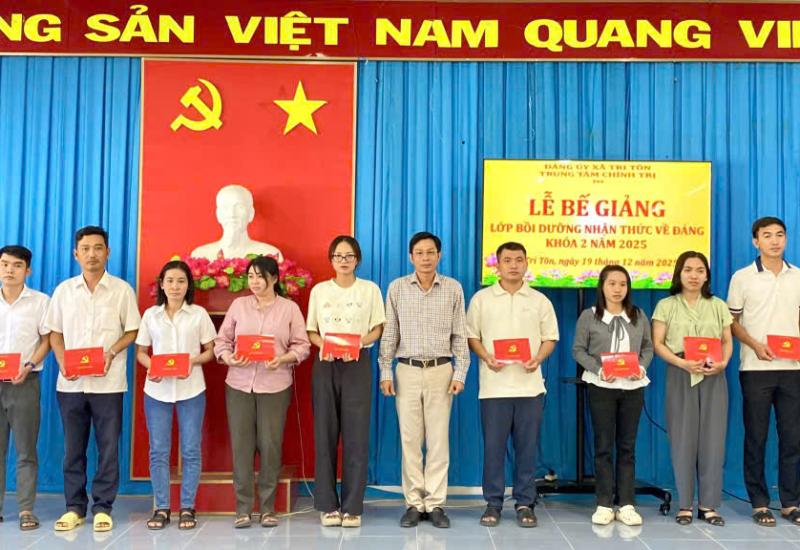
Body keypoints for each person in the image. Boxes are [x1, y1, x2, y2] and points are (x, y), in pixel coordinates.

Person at [45, 226, 141, 532]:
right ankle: (74, 508)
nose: (92, 254)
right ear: (76, 254)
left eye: (98, 248)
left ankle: (103, 508)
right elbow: (54, 332)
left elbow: (133, 330)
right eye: (85, 249)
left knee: (108, 448)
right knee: (73, 449)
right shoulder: (64, 291)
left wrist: (112, 352)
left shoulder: (122, 290)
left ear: (108, 252)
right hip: (70, 384)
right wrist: (62, 360)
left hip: (108, 383)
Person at [379, 231, 470, 529]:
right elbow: (390, 334)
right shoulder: (397, 288)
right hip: (406, 370)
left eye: (431, 252)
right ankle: (414, 504)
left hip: (441, 370)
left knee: (438, 440)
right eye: (419, 253)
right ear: (411, 257)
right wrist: (385, 371)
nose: (425, 258)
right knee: (410, 440)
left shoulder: (453, 288)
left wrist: (460, 373)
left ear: (439, 255)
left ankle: (436, 503)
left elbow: (460, 335)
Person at [214, 255, 310, 528]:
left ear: (274, 279)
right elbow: (222, 341)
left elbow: (302, 345)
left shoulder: (289, 309)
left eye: (260, 276)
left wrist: (283, 358)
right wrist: (229, 358)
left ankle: (268, 508)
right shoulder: (238, 305)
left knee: (270, 445)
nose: (254, 282)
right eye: (251, 276)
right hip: (239, 384)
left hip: (275, 385)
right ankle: (243, 509)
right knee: (241, 446)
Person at [467, 241, 558, 528]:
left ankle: (524, 503)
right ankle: (493, 503)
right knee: (493, 450)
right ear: (498, 265)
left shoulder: (540, 300)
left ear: (526, 263)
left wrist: (538, 358)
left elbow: (550, 338)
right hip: (494, 387)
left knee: (527, 450)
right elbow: (472, 336)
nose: (514, 265)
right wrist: (486, 357)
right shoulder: (482, 299)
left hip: (530, 387)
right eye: (507, 260)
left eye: (519, 259)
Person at [307, 236, 385, 528]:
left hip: (357, 364)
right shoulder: (319, 291)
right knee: (325, 434)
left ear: (357, 260)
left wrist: (357, 344)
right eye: (338, 256)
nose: (343, 260)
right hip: (326, 364)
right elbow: (312, 330)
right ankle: (327, 506)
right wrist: (326, 346)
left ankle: (352, 507)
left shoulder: (370, 290)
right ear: (331, 259)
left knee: (356, 437)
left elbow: (377, 327)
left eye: (349, 256)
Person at [727, 216, 800, 527]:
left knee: (793, 438)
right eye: (767, 235)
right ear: (755, 241)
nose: (774, 240)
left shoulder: (797, 276)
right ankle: (759, 503)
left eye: (779, 235)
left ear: (786, 239)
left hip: (793, 368)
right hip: (755, 367)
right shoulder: (742, 277)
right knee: (756, 437)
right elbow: (731, 322)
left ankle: (790, 502)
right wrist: (755, 345)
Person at [652, 251, 732, 527]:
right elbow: (658, 343)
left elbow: (726, 340)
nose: (694, 275)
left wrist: (723, 364)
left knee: (713, 440)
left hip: (713, 374)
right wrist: (682, 363)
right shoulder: (666, 305)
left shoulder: (718, 305)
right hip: (680, 372)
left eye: (700, 270)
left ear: (707, 275)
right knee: (683, 439)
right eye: (688, 270)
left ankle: (708, 505)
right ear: (679, 273)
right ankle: (685, 504)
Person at [135, 260, 216, 530]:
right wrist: (152, 368)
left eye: (181, 281)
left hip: (191, 389)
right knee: (158, 451)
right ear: (161, 284)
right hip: (157, 391)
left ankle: (187, 507)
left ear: (188, 285)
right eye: (169, 281)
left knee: (191, 449)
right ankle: (161, 508)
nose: (175, 286)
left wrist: (192, 362)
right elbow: (141, 352)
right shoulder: (151, 315)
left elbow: (210, 350)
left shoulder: (198, 314)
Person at [572, 265, 653, 527]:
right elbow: (578, 350)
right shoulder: (589, 316)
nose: (618, 289)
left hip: (632, 387)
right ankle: (604, 504)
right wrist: (599, 369)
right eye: (612, 284)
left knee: (627, 447)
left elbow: (648, 348)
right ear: (602, 287)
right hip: (601, 386)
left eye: (623, 284)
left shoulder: (638, 315)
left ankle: (626, 504)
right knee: (604, 446)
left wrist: (641, 368)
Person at [0, 245, 50, 531]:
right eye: (5, 264)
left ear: (27, 270)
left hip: (25, 382)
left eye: (17, 265)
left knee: (25, 450)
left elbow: (46, 340)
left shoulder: (40, 302)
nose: (9, 270)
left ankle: (25, 510)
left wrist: (29, 365)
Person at [191, 184, 283, 261]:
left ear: (251, 213)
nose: (232, 214)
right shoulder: (200, 256)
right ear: (218, 214)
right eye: (225, 207)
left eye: (239, 207)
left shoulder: (270, 254)